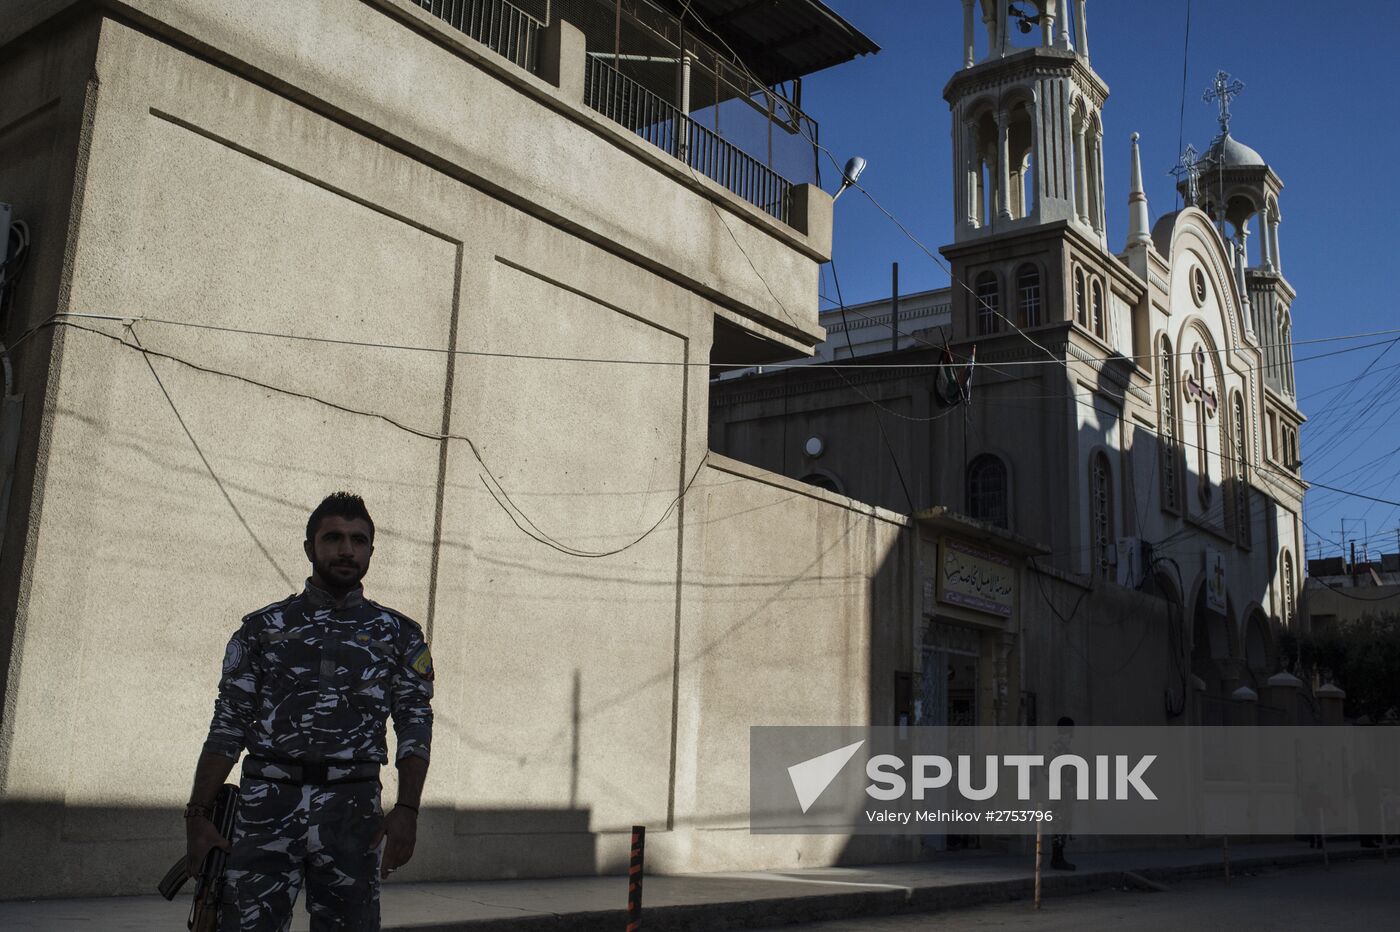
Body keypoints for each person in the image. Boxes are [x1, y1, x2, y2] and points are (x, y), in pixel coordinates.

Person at [184, 492, 434, 931]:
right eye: (333, 537)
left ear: (371, 551)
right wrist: (197, 815)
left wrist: (408, 810)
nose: (346, 550)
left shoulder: (399, 635)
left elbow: (415, 725)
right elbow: (228, 725)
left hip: (352, 811)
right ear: (309, 547)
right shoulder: (264, 629)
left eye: (358, 540)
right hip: (266, 806)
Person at [1050, 716, 1075, 871]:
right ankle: (1057, 858)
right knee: (1058, 823)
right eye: (1071, 730)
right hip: (1057, 792)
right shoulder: (1056, 748)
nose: (1072, 734)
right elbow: (1048, 769)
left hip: (1064, 791)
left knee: (1064, 822)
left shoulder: (1066, 748)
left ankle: (1059, 857)